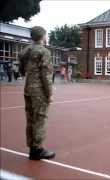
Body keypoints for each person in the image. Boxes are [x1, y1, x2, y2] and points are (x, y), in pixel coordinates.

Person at [18, 26, 55, 160]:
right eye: (45, 35)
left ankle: (32, 147)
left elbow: (21, 67)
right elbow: (46, 75)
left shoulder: (26, 50)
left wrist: (23, 72)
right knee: (40, 119)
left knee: (30, 119)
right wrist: (49, 93)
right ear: (42, 36)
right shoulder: (43, 51)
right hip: (39, 91)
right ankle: (37, 149)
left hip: (28, 89)